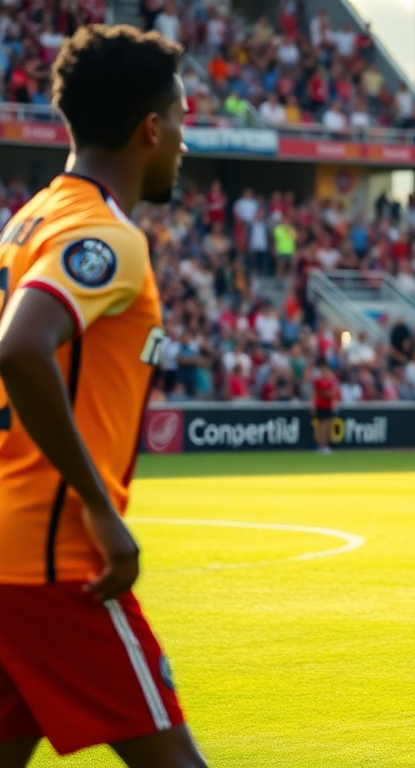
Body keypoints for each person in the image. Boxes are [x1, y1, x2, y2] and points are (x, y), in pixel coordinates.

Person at [0, 24, 208, 768]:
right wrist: (94, 502)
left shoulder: (31, 218)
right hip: (58, 562)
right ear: (151, 128)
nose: (185, 140)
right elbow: (20, 349)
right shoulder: (107, 237)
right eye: (182, 120)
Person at [311, 358, 339, 454]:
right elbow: (318, 394)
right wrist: (314, 406)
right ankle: (321, 446)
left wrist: (327, 394)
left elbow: (333, 394)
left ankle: (325, 445)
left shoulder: (331, 381)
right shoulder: (318, 381)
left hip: (328, 406)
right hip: (321, 405)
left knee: (327, 427)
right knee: (321, 427)